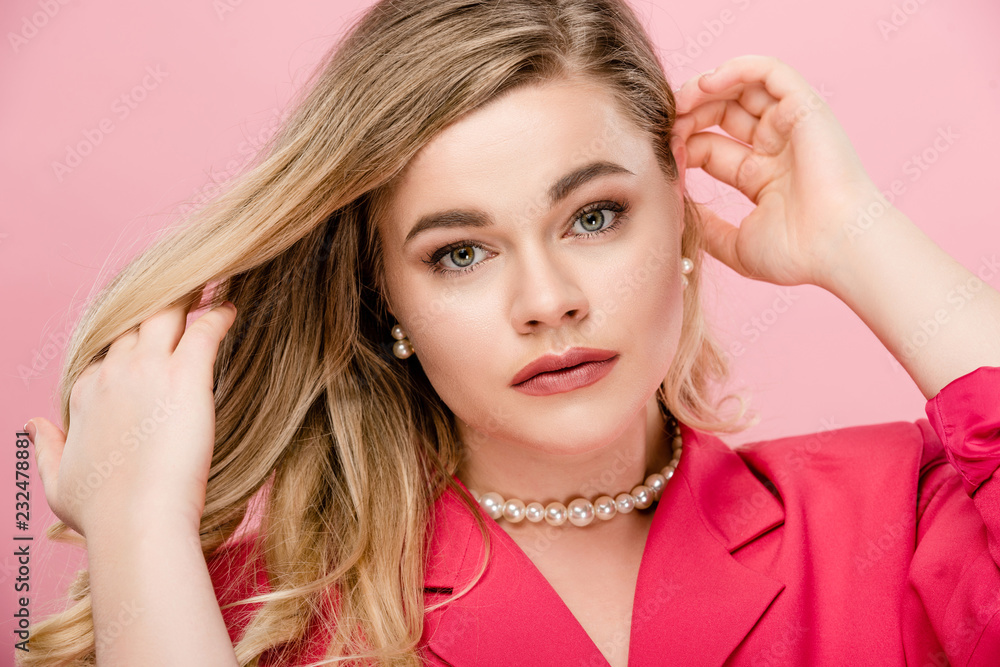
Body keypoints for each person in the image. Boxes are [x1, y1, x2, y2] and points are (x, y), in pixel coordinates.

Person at [20, 0, 1000, 665]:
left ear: (682, 216)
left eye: (594, 215)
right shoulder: (252, 614)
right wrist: (138, 530)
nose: (547, 298)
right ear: (383, 298)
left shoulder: (903, 511)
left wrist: (857, 234)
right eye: (458, 252)